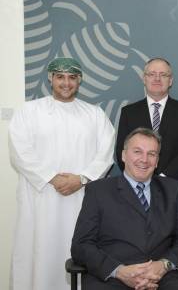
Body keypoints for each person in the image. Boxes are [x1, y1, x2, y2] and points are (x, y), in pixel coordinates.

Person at [8, 57, 115, 290]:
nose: (66, 83)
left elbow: (106, 153)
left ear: (79, 80)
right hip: (40, 199)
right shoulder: (29, 111)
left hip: (81, 199)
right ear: (50, 78)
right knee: (39, 253)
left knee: (77, 248)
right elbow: (19, 151)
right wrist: (51, 177)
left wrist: (81, 179)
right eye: (60, 77)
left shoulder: (94, 114)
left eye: (72, 77)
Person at [71, 127, 178, 290]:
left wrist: (163, 265)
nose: (144, 159)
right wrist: (119, 271)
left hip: (162, 276)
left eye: (151, 154)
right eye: (137, 151)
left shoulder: (173, 189)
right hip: (112, 278)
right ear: (123, 155)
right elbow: (81, 245)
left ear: (157, 160)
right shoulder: (98, 191)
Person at [116, 57, 178, 207]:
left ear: (171, 80)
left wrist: (162, 178)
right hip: (135, 190)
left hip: (173, 190)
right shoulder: (129, 112)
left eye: (163, 75)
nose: (157, 78)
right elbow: (122, 150)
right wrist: (141, 178)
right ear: (144, 78)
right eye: (152, 74)